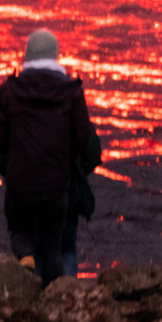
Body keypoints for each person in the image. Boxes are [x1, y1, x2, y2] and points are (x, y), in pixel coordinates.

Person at [0, 29, 91, 287]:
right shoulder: (72, 93)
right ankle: (55, 300)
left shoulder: (9, 90)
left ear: (27, 55)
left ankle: (25, 264)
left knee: (20, 233)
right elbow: (81, 138)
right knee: (53, 245)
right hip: (56, 184)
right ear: (55, 56)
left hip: (20, 182)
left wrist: (16, 151)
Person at [62, 119, 102, 277]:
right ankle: (67, 296)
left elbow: (3, 158)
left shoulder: (22, 103)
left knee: (36, 251)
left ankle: (35, 298)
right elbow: (92, 154)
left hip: (30, 194)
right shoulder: (72, 101)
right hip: (67, 194)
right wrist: (76, 172)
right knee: (67, 251)